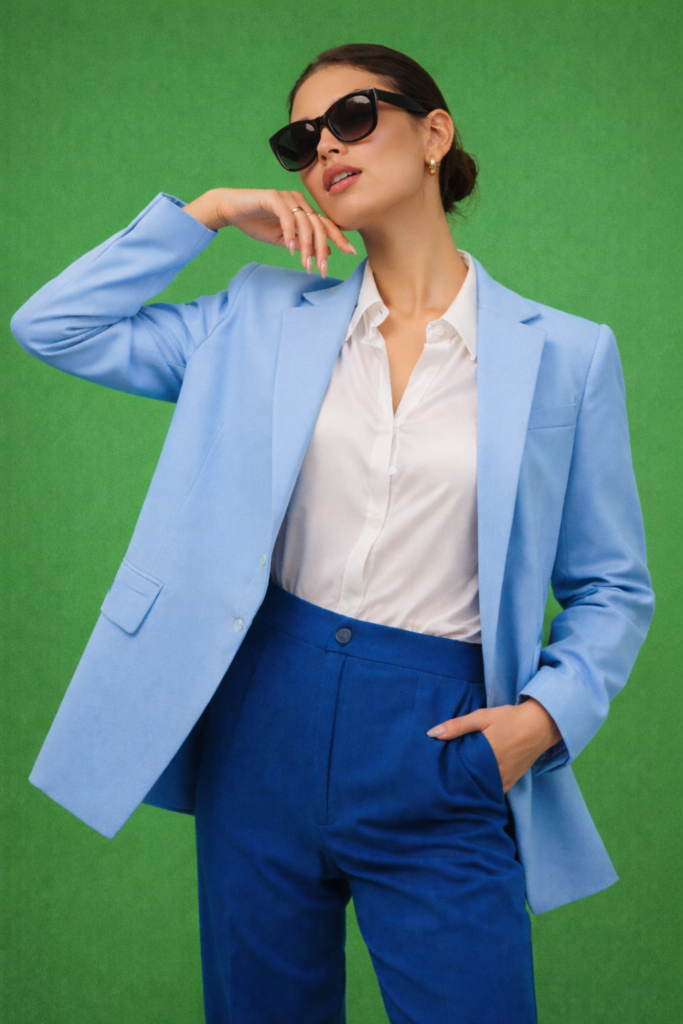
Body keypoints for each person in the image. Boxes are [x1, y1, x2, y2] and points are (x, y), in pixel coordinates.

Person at [10, 41, 654, 1024]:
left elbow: (611, 584)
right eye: (300, 139)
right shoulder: (252, 316)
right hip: (259, 717)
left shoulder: (564, 354)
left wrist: (543, 718)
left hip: (439, 732)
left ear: (434, 133)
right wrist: (211, 213)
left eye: (352, 117)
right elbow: (54, 325)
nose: (323, 148)